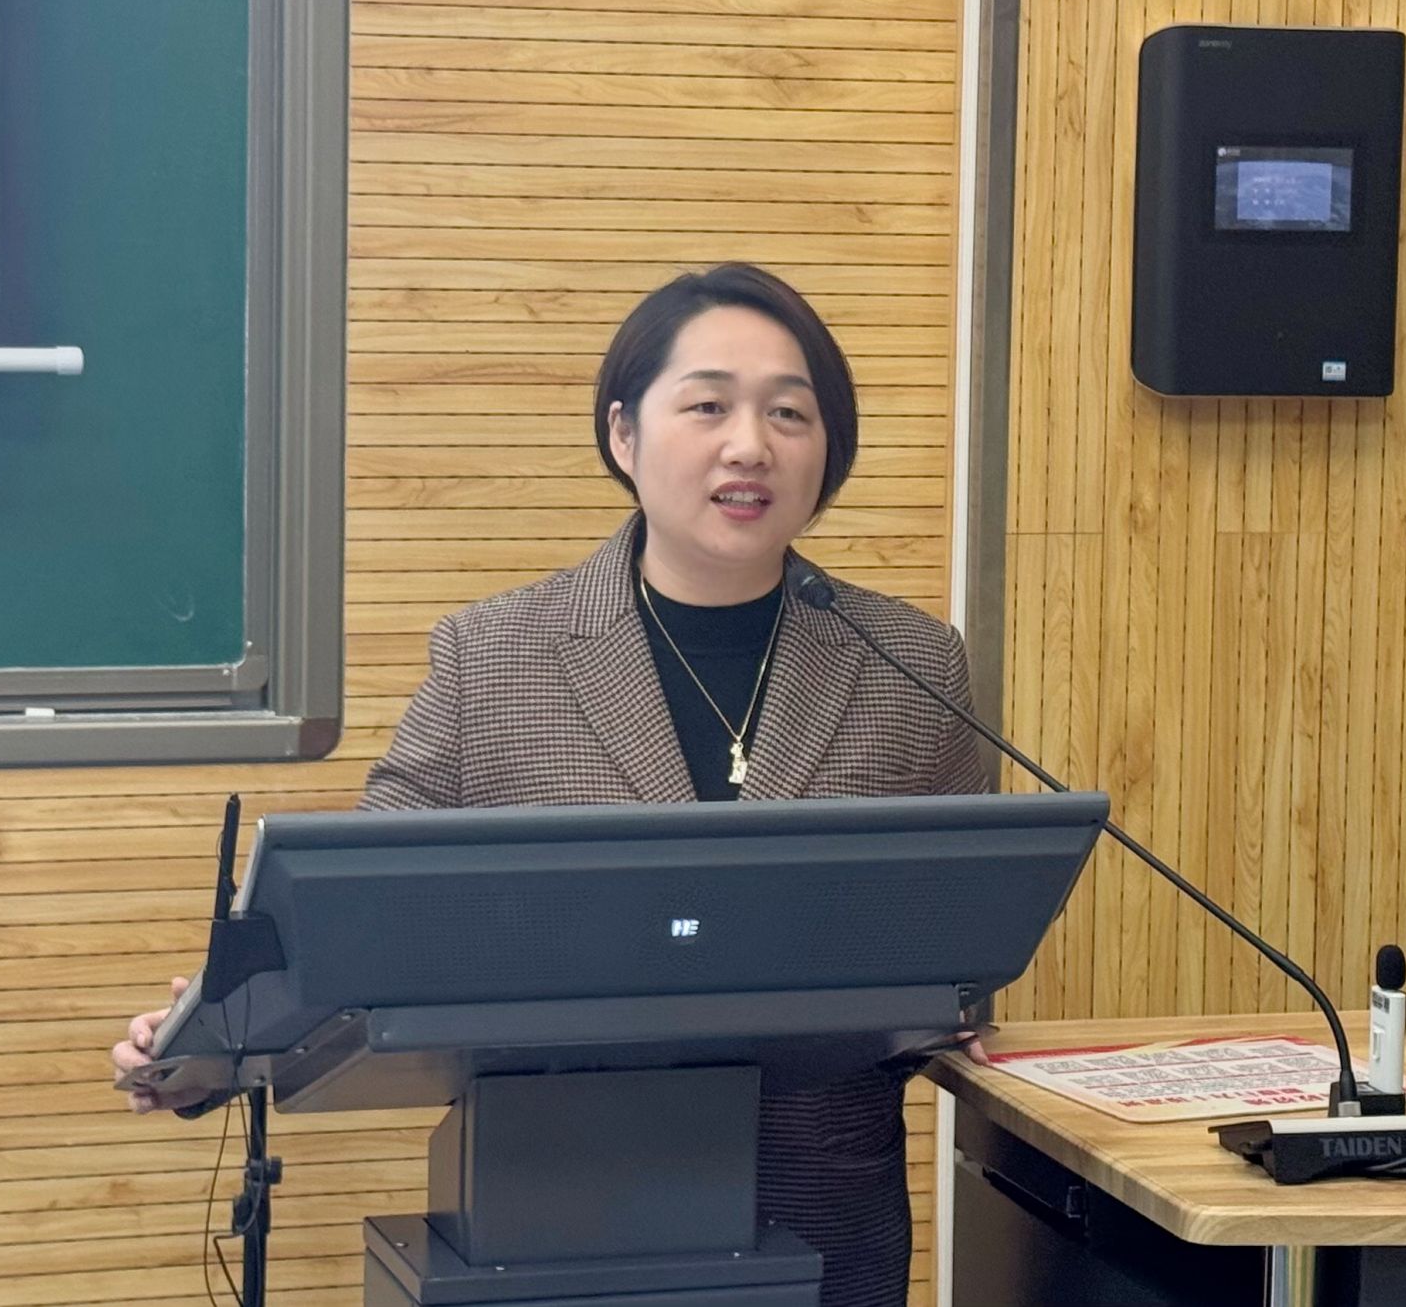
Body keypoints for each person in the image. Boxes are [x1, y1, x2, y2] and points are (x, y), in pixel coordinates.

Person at [113, 262, 986, 1307]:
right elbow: (355, 913)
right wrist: (209, 1039)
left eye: (789, 413)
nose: (750, 445)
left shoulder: (908, 662)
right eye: (707, 406)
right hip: (549, 1216)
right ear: (624, 434)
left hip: (822, 1217)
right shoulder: (494, 656)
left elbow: (960, 943)